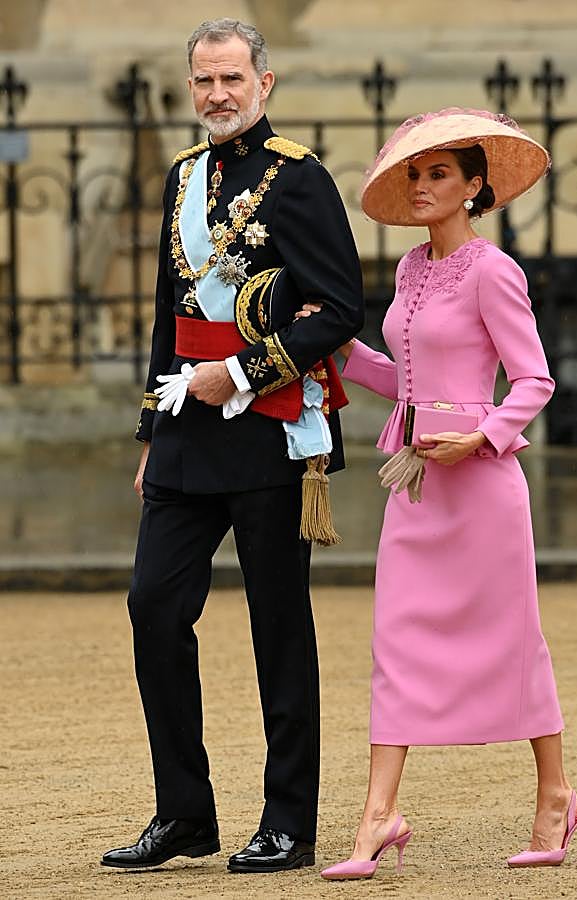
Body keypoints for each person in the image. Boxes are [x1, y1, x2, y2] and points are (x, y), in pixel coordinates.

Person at [101, 18, 363, 874]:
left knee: (277, 627)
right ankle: (185, 814)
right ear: (191, 88)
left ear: (265, 83)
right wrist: (151, 430)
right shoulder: (181, 176)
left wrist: (244, 373)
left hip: (270, 432)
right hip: (184, 437)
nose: (219, 95)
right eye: (205, 81)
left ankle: (287, 822)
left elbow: (337, 308)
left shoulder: (300, 178)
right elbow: (166, 320)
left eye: (233, 80)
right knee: (152, 607)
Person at [309, 109, 577, 880]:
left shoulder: (495, 269)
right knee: (395, 642)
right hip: (417, 483)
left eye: (441, 175)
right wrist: (335, 345)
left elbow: (534, 377)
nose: (424, 186)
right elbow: (395, 380)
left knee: (514, 639)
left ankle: (556, 797)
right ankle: (377, 818)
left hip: (484, 486)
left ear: (474, 188)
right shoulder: (406, 271)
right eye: (417, 174)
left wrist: (487, 436)